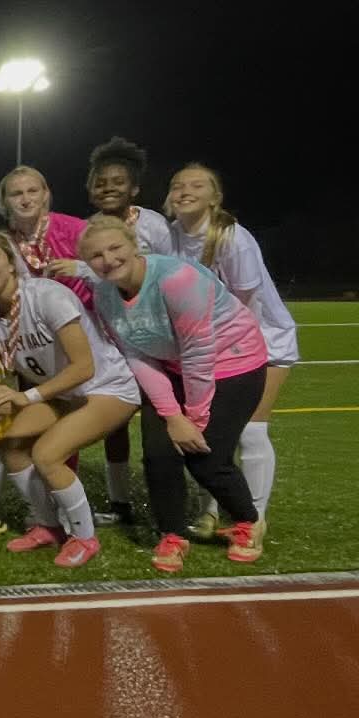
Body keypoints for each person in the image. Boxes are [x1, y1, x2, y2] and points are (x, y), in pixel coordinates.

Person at [80, 215, 269, 572]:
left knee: (205, 457)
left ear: (134, 246)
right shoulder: (104, 293)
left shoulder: (177, 279)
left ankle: (248, 520)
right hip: (173, 368)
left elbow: (198, 351)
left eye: (115, 248)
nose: (108, 259)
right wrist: (171, 415)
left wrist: (192, 420)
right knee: (158, 454)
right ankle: (172, 533)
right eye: (96, 255)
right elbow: (135, 352)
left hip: (233, 362)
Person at [0, 231, 140, 567]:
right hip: (63, 392)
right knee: (11, 444)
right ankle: (48, 525)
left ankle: (85, 537)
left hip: (106, 386)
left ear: (11, 263)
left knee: (47, 454)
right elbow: (0, 365)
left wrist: (24, 397)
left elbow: (84, 367)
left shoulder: (46, 295)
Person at [166, 162, 298, 543]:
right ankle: (210, 511)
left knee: (252, 432)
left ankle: (254, 519)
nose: (185, 191)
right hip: (210, 348)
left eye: (196, 185)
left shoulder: (232, 238)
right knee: (211, 436)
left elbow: (246, 308)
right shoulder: (171, 235)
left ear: (214, 197)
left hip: (261, 341)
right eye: (177, 185)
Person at [76, 136, 169, 527]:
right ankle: (120, 502)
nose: (108, 188)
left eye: (117, 181)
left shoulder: (154, 224)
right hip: (111, 335)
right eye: (101, 182)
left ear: (134, 188)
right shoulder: (86, 229)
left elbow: (169, 271)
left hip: (154, 335)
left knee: (160, 420)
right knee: (113, 422)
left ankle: (171, 497)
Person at [0, 166, 95, 309]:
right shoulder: (2, 243)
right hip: (35, 324)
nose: (25, 200)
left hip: (85, 318)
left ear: (45, 194)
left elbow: (109, 272)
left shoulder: (75, 229)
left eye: (32, 191)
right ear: (4, 201)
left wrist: (81, 269)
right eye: (16, 194)